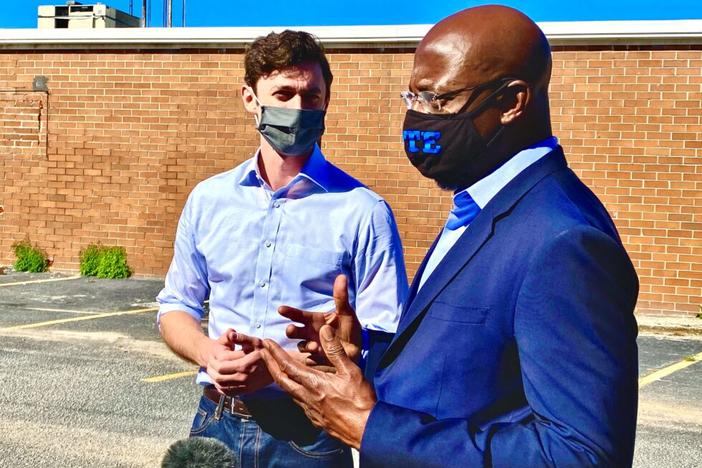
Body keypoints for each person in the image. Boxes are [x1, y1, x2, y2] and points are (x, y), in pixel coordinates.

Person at [260, 6, 639, 467]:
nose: (419, 118)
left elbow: (580, 456)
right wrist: (367, 354)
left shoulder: (563, 241)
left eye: (438, 101)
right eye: (413, 98)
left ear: (512, 101)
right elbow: (470, 369)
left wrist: (371, 427)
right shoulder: (483, 204)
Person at [156, 30, 408, 468]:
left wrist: (276, 366)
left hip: (309, 433)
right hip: (214, 422)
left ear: (327, 100)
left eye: (312, 96)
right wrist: (207, 353)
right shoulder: (208, 199)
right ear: (250, 98)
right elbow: (176, 305)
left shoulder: (363, 211)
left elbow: (385, 336)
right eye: (283, 93)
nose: (298, 109)